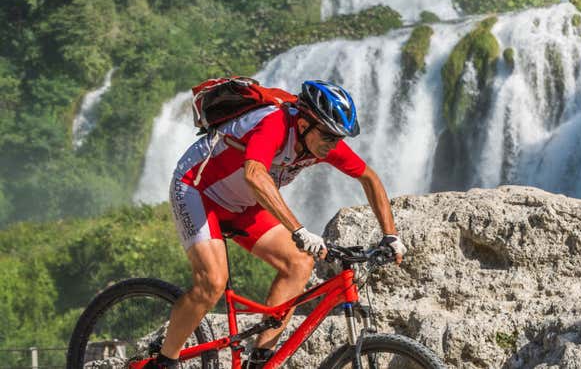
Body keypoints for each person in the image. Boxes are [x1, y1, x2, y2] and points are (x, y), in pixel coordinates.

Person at [148, 80, 407, 369]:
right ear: (305, 124)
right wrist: (299, 230)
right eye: (329, 136)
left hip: (243, 204)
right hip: (197, 191)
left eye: (339, 138)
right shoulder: (275, 124)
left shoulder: (321, 141)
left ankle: (260, 360)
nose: (334, 144)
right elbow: (254, 174)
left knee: (299, 263)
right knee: (212, 282)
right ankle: (164, 362)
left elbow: (369, 178)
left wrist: (391, 235)